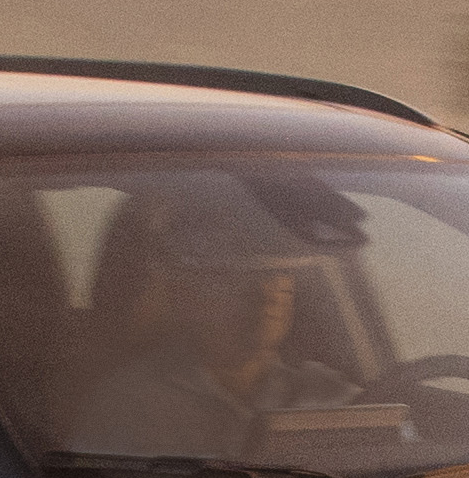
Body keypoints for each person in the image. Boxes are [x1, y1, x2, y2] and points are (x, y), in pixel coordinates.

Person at [54, 189, 350, 462]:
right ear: (185, 293)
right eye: (237, 274)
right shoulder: (126, 406)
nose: (266, 292)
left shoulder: (330, 397)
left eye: (278, 272)